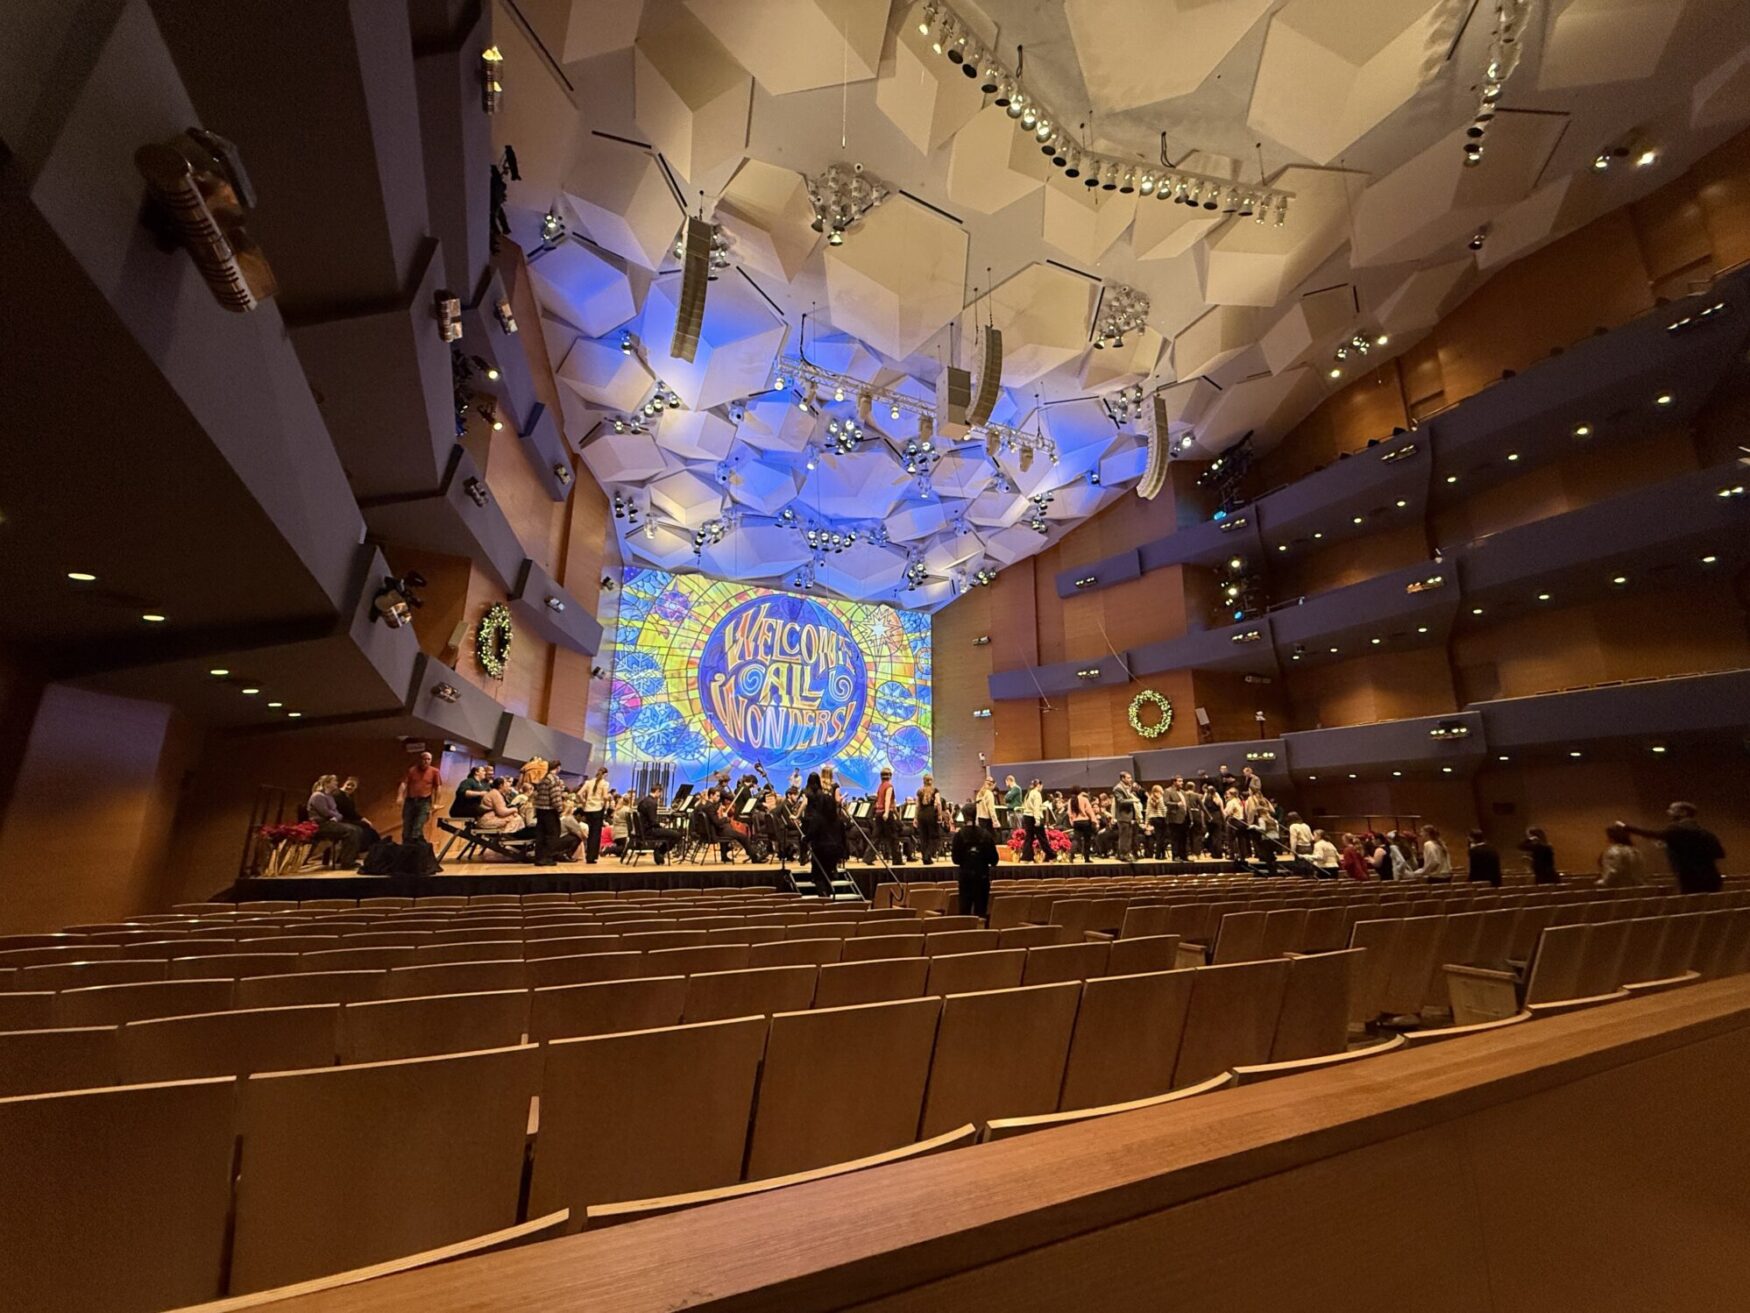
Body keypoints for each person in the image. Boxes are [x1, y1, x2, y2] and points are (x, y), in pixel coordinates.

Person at [1621, 802, 1726, 894]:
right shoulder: (1707, 833)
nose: (1668, 812)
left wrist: (1626, 827)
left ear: (1684, 812)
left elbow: (1653, 834)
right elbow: (1720, 853)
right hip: (1712, 878)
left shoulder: (1677, 829)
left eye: (1672, 809)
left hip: (1692, 880)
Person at [951, 808, 1000, 922]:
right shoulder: (985, 834)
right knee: (981, 912)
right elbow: (994, 860)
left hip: (965, 878)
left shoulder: (959, 835)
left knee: (964, 912)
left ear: (963, 816)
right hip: (982, 878)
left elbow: (956, 860)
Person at [803, 771, 847, 896]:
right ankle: (829, 895)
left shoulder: (818, 818)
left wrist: (805, 840)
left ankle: (823, 897)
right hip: (835, 851)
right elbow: (843, 837)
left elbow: (812, 833)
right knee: (828, 874)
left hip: (821, 850)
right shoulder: (838, 820)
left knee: (818, 876)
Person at [306, 774, 362, 867]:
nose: (337, 783)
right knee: (351, 831)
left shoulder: (329, 797)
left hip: (330, 823)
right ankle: (347, 862)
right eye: (334, 781)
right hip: (320, 825)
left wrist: (336, 817)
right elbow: (325, 812)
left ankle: (347, 859)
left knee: (357, 829)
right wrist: (335, 816)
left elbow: (337, 814)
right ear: (327, 784)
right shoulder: (317, 796)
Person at [527, 759, 568, 866]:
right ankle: (547, 858)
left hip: (540, 809)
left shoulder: (543, 779)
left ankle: (539, 858)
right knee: (552, 835)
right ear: (558, 767)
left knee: (541, 835)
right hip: (550, 810)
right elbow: (555, 796)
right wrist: (559, 809)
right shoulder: (554, 779)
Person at [398, 751, 442, 845]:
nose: (426, 761)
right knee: (407, 826)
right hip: (410, 801)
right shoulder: (412, 770)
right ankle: (405, 847)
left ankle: (415, 847)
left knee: (418, 826)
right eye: (424, 759)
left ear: (431, 760)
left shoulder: (434, 771)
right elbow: (404, 783)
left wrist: (436, 803)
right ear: (420, 759)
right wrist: (400, 796)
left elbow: (438, 787)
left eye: (428, 759)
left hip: (424, 801)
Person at [329, 776, 380, 847]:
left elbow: (352, 812)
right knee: (363, 827)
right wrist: (362, 819)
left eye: (352, 786)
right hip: (340, 819)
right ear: (344, 784)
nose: (349, 787)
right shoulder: (338, 794)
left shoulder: (349, 796)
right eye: (348, 784)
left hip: (347, 819)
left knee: (368, 828)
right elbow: (347, 811)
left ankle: (373, 847)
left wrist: (363, 819)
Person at [636, 785, 680, 864]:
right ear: (657, 791)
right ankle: (660, 851)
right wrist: (661, 825)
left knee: (669, 833)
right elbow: (653, 821)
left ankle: (659, 852)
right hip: (649, 831)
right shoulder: (652, 803)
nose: (660, 796)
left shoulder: (643, 801)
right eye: (660, 793)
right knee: (677, 835)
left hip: (642, 830)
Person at [577, 766, 612, 864]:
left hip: (588, 810)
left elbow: (579, 794)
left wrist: (584, 802)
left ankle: (588, 855)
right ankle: (592, 857)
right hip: (598, 809)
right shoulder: (605, 784)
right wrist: (608, 798)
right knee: (595, 834)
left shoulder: (588, 782)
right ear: (605, 775)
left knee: (590, 832)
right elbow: (605, 796)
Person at [1598, 823, 1647, 888]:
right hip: (1637, 890)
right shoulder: (1636, 851)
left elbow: (1612, 872)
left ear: (1612, 838)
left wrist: (1602, 882)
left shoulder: (1613, 851)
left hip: (1619, 890)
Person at [872, 767, 901, 865]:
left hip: (878, 813)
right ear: (890, 776)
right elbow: (887, 800)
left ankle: (868, 857)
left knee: (876, 837)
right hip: (885, 813)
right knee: (893, 837)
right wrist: (887, 813)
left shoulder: (880, 786)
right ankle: (897, 860)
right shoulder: (889, 786)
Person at [1019, 778, 1049, 863]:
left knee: (1029, 838)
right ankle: (1050, 856)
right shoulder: (1037, 794)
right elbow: (1036, 808)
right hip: (1033, 817)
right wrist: (1037, 820)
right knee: (1042, 838)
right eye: (1041, 786)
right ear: (1039, 785)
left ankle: (1026, 858)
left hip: (1027, 816)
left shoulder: (1029, 793)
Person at [1112, 772, 1140, 862]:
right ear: (1122, 779)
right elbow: (1121, 801)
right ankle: (1124, 855)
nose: (1130, 779)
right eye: (1128, 778)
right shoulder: (1118, 788)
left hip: (1128, 816)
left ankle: (1124, 854)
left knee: (1128, 837)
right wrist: (1133, 800)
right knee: (1124, 837)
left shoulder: (1127, 787)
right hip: (1123, 816)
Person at [915, 773, 942, 864]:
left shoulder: (919, 791)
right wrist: (939, 814)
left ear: (923, 781)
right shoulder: (935, 791)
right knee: (934, 836)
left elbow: (917, 806)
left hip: (921, 814)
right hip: (931, 814)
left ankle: (924, 858)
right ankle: (928, 856)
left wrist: (915, 818)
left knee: (923, 837)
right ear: (931, 781)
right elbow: (938, 803)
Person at [1163, 777, 1189, 861]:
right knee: (1175, 839)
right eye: (1180, 781)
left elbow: (1187, 806)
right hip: (1174, 818)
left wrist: (1190, 818)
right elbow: (1166, 802)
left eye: (1182, 781)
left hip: (1184, 818)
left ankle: (1183, 856)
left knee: (1183, 838)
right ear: (1174, 782)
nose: (1182, 783)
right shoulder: (1168, 791)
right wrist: (1177, 804)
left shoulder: (1183, 792)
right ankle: (1176, 856)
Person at [1145, 784, 1168, 860]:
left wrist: (1147, 822)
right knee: (1162, 838)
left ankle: (1160, 854)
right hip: (1161, 818)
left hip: (1153, 819)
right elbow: (1164, 809)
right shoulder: (1161, 798)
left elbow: (1147, 811)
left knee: (1158, 838)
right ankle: (1160, 854)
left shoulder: (1149, 799)